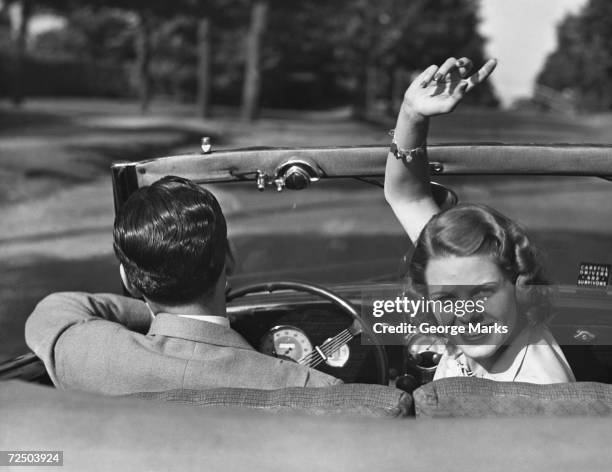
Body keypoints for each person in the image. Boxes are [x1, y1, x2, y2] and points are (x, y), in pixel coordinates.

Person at [25, 176, 341, 395]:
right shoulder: (314, 389)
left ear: (128, 280)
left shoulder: (89, 358)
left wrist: (163, 313)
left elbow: (54, 309)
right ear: (229, 258)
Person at [384, 57, 575, 383]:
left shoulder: (540, 388)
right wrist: (411, 114)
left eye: (482, 293)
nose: (465, 315)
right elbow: (408, 196)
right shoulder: (456, 274)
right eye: (445, 299)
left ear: (519, 284)